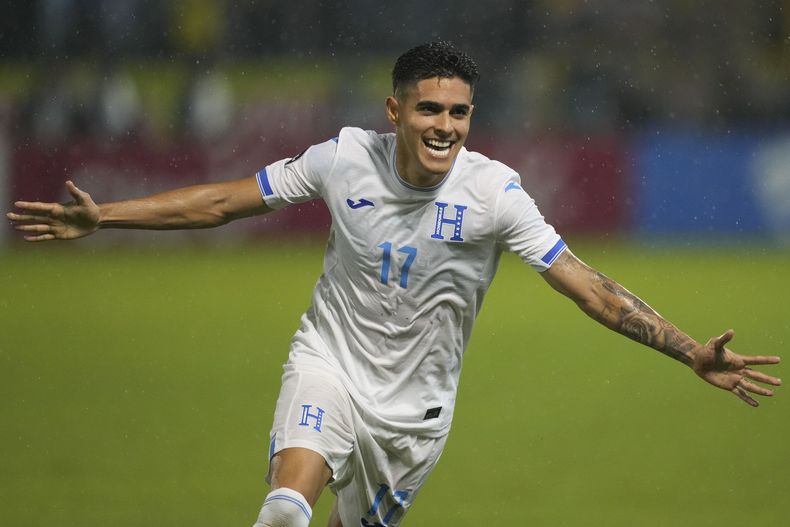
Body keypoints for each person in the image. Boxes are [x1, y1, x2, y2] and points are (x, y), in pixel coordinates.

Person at [6, 41, 781, 527]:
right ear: (395, 109)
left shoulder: (495, 192)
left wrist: (688, 351)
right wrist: (106, 217)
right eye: (429, 109)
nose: (445, 125)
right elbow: (219, 201)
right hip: (330, 364)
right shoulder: (342, 157)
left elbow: (592, 288)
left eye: (459, 112)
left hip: (415, 420)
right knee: (283, 506)